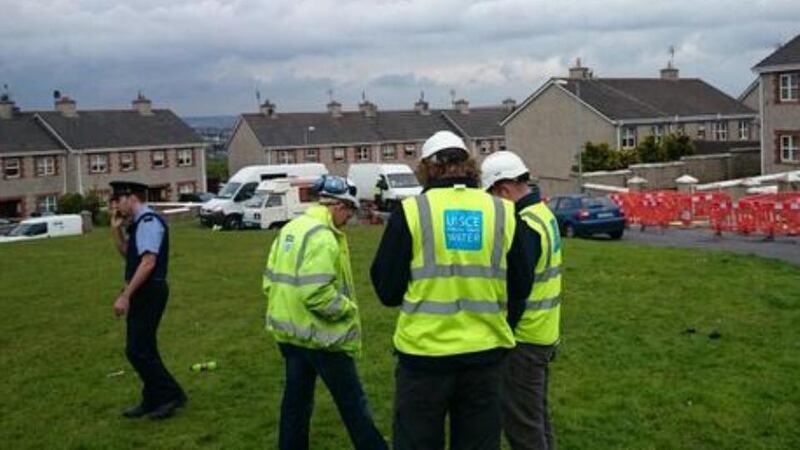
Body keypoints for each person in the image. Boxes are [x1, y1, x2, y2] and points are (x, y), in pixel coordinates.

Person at [370, 131, 536, 450]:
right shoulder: (502, 212)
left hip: (424, 358)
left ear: (427, 168)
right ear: (469, 165)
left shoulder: (412, 212)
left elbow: (387, 291)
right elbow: (522, 285)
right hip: (485, 358)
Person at [263, 175, 387, 450]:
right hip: (322, 337)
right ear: (338, 206)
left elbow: (269, 280)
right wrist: (346, 309)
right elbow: (317, 293)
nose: (348, 219)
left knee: (296, 401)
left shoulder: (292, 229)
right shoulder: (323, 238)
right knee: (353, 402)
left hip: (289, 335)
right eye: (349, 211)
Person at [481, 151, 562, 450]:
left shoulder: (524, 224)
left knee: (522, 428)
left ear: (503, 189)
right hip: (544, 333)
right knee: (537, 418)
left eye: (491, 195)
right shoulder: (543, 214)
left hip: (524, 340)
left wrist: (502, 334)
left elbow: (518, 289)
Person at [109, 181, 186, 420]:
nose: (116, 205)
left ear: (132, 198)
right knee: (144, 347)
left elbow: (148, 262)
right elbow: (129, 255)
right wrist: (116, 230)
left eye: (118, 200)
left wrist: (125, 296)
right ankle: (155, 397)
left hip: (149, 291)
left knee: (137, 349)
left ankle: (168, 394)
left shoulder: (149, 222)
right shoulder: (138, 224)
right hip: (144, 290)